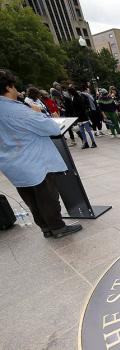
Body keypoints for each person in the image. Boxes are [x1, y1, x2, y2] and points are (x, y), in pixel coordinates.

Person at [0, 69, 82, 238]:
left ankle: (46, 228)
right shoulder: (18, 111)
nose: (17, 91)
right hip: (35, 163)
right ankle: (57, 227)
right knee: (47, 197)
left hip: (12, 165)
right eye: (14, 87)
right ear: (8, 87)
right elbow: (52, 128)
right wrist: (37, 113)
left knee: (31, 200)